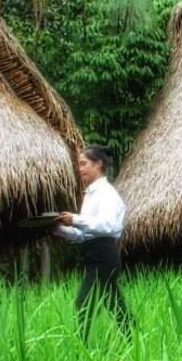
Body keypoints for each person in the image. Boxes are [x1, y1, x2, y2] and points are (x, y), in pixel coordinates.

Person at [52, 144, 133, 340]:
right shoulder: (91, 195)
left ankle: (83, 350)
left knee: (83, 303)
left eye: (83, 164)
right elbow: (84, 235)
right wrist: (58, 229)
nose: (80, 169)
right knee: (114, 303)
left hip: (103, 257)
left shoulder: (106, 193)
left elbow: (110, 226)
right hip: (94, 256)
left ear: (98, 165)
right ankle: (134, 340)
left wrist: (76, 219)